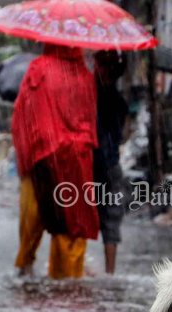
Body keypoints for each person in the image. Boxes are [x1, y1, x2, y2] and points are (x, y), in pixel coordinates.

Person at [11, 44, 100, 279]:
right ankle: (66, 276)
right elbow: (89, 120)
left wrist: (30, 147)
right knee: (72, 222)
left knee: (33, 214)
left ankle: (26, 263)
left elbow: (23, 113)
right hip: (75, 159)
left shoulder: (38, 69)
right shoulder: (85, 76)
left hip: (41, 154)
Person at [93, 51, 129, 275]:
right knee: (111, 220)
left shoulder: (91, 95)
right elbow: (123, 134)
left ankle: (105, 272)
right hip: (108, 165)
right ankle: (109, 273)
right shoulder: (119, 102)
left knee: (83, 216)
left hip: (92, 165)